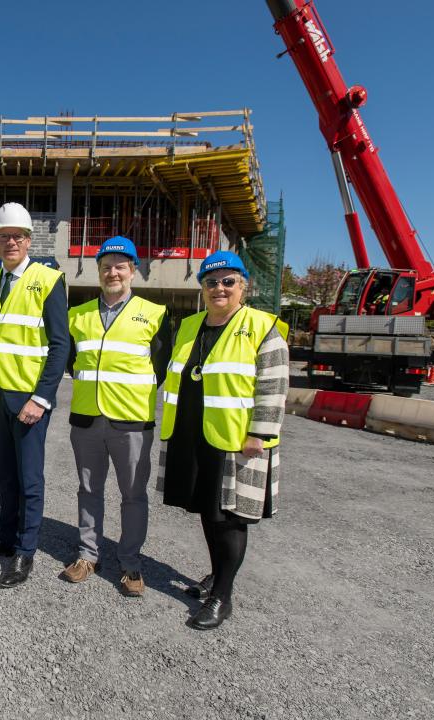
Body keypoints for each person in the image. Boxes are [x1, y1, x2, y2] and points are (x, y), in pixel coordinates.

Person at [158, 250, 289, 630]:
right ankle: (217, 576)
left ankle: (223, 596)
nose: (219, 288)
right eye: (211, 282)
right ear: (201, 288)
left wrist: (259, 435)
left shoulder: (263, 328)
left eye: (228, 281)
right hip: (193, 435)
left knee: (231, 519)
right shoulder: (189, 325)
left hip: (236, 441)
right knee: (208, 512)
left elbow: (274, 386)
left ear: (243, 288)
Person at [0, 202, 68, 589]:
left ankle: (26, 550)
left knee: (29, 479)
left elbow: (60, 346)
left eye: (18, 236)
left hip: (28, 400)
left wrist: (40, 398)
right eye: (4, 236)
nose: (11, 242)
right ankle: (5, 539)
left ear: (29, 240)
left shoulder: (49, 279)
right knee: (6, 476)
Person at [61, 237, 171, 596]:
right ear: (99, 271)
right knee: (89, 489)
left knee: (133, 495)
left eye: (120, 266)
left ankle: (130, 562)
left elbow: (163, 366)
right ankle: (87, 555)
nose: (113, 272)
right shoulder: (77, 315)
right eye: (106, 266)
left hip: (132, 423)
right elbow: (70, 362)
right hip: (87, 420)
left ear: (132, 270)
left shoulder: (155, 314)